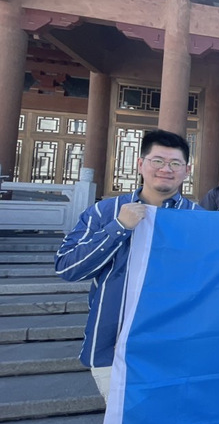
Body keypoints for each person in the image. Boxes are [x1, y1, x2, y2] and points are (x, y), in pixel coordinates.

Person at [54, 130, 201, 400]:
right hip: (113, 344)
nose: (166, 169)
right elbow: (67, 267)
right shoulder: (104, 212)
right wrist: (119, 227)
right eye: (158, 161)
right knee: (121, 423)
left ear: (187, 170)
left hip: (176, 349)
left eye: (175, 163)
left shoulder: (199, 220)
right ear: (141, 164)